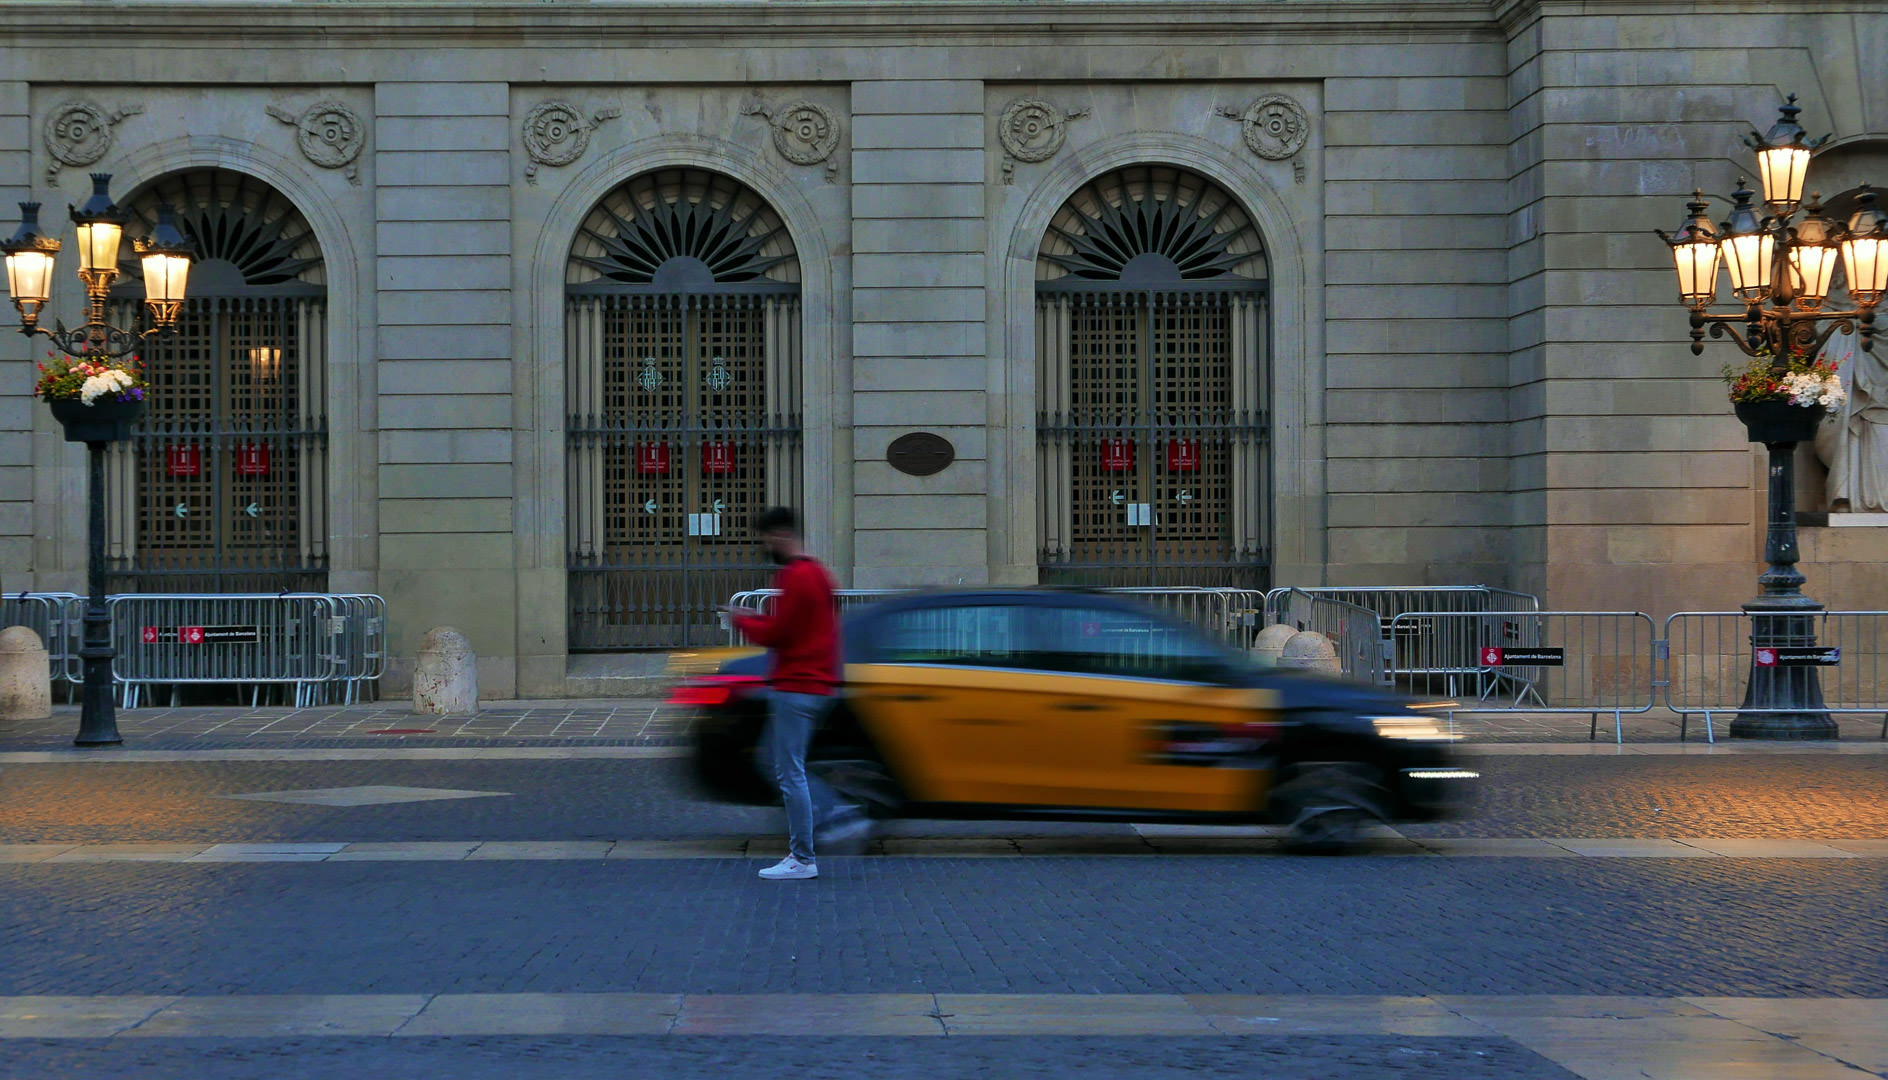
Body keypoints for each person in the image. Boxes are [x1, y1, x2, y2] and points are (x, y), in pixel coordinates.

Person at [724, 506, 867, 880]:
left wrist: (741, 618)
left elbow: (777, 634)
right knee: (783, 764)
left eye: (767, 539)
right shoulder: (819, 573)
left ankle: (805, 854)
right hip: (818, 684)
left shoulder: (795, 576)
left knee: (789, 772)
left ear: (781, 535)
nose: (766, 547)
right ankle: (835, 816)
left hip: (796, 685)